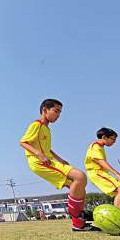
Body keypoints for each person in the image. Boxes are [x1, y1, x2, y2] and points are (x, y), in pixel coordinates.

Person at [20, 99, 99, 232]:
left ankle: (78, 225)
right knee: (80, 176)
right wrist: (40, 155)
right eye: (56, 111)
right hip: (39, 162)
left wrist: (60, 159)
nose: (58, 115)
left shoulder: (47, 130)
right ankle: (77, 214)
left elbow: (48, 150)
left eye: (60, 113)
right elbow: (23, 142)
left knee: (79, 188)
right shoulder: (36, 125)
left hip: (48, 160)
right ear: (45, 110)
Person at [84, 127, 120, 211]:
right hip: (97, 173)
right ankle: (117, 216)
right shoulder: (95, 146)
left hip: (100, 174)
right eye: (113, 139)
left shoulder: (100, 147)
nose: (114, 142)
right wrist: (117, 174)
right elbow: (101, 161)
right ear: (104, 137)